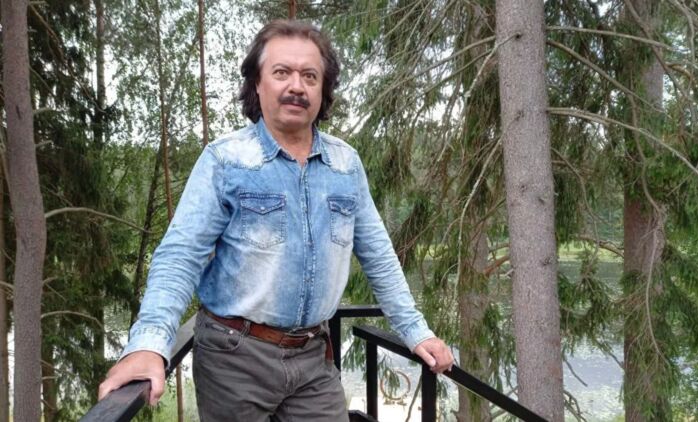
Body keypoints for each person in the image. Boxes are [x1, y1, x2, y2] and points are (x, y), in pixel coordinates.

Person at [98, 19, 453, 421]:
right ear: (257, 84)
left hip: (313, 359)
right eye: (282, 72)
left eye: (310, 76)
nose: (297, 86)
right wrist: (148, 345)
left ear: (323, 89)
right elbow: (180, 256)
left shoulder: (345, 164)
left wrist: (416, 331)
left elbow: (379, 256)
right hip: (233, 359)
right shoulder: (225, 160)